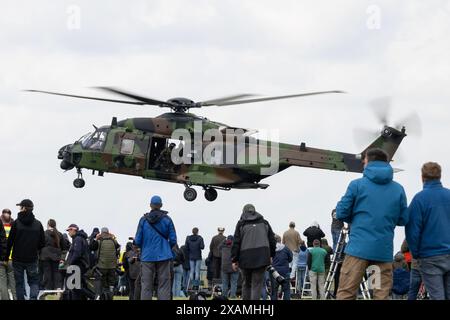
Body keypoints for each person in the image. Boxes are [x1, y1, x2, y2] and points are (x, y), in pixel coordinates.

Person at [335, 148, 409, 300]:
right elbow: (403, 219)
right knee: (380, 295)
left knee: (347, 293)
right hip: (382, 252)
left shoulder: (356, 185)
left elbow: (341, 213)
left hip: (358, 250)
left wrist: (355, 218)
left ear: (368, 161)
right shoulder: (398, 189)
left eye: (364, 162)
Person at [405, 162, 450, 300]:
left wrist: (416, 254)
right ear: (440, 176)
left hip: (429, 257)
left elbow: (412, 231)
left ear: (422, 177)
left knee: (437, 296)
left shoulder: (419, 199)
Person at [134, 195, 177, 300]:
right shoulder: (167, 219)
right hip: (164, 255)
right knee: (164, 285)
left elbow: (138, 240)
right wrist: (167, 248)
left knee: (146, 286)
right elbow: (173, 240)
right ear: (161, 205)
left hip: (147, 256)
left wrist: (142, 248)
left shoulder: (143, 220)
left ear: (150, 205)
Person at [231, 204, 276, 300]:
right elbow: (272, 241)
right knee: (257, 285)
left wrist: (234, 260)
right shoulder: (265, 223)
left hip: (245, 258)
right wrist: (271, 255)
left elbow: (236, 242)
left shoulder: (241, 224)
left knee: (246, 284)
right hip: (262, 257)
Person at [5, 199, 45, 300]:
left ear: (24, 208)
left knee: (19, 283)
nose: (19, 209)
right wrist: (34, 248)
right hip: (32, 258)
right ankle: (33, 298)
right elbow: (42, 243)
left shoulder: (16, 223)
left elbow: (9, 242)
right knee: (33, 281)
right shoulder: (38, 224)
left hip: (17, 258)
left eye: (20, 207)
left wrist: (5, 257)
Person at [90, 227, 120, 299]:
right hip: (112, 267)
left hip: (101, 266)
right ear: (108, 232)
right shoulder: (114, 241)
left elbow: (91, 247)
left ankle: (102, 297)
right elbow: (118, 248)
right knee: (111, 284)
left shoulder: (99, 241)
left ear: (101, 232)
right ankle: (110, 296)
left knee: (102, 284)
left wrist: (95, 239)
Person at [66, 224, 91, 300]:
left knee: (74, 286)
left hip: (78, 265)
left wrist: (70, 263)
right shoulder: (79, 238)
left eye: (69, 230)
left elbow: (77, 254)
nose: (68, 232)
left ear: (74, 230)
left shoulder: (78, 239)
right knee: (77, 286)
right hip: (80, 265)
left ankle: (95, 297)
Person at [40, 219, 66, 290]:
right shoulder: (59, 234)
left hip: (45, 257)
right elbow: (64, 247)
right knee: (57, 273)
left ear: (48, 225)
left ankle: (48, 289)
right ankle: (58, 288)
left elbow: (39, 245)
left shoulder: (44, 234)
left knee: (47, 274)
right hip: (57, 257)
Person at [270, 235, 292, 300]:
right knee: (286, 290)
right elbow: (290, 258)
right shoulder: (286, 248)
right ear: (280, 240)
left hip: (274, 272)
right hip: (285, 271)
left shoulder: (271, 249)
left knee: (274, 291)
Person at [0, 209, 16, 300]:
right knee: (13, 283)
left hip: (1, 258)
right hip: (12, 258)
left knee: (2, 283)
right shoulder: (14, 227)